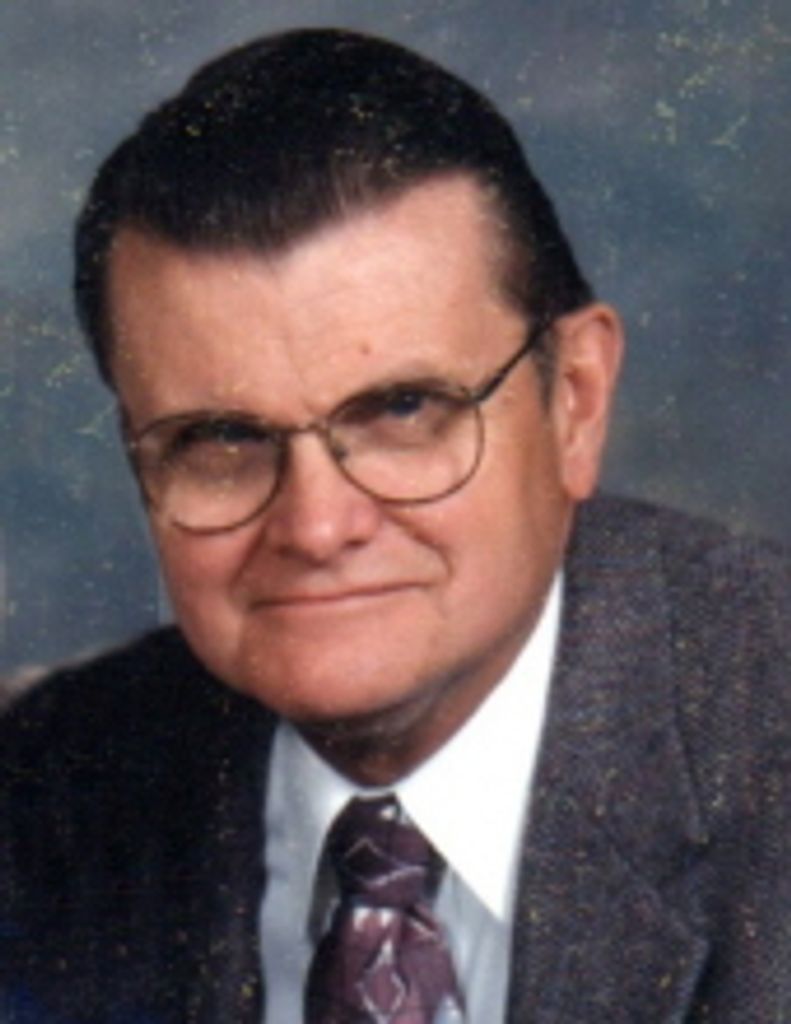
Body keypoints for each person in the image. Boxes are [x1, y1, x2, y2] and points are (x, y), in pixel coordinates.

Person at [1, 27, 789, 1024]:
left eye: (403, 411)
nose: (317, 526)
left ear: (575, 402)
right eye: (221, 438)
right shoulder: (42, 791)